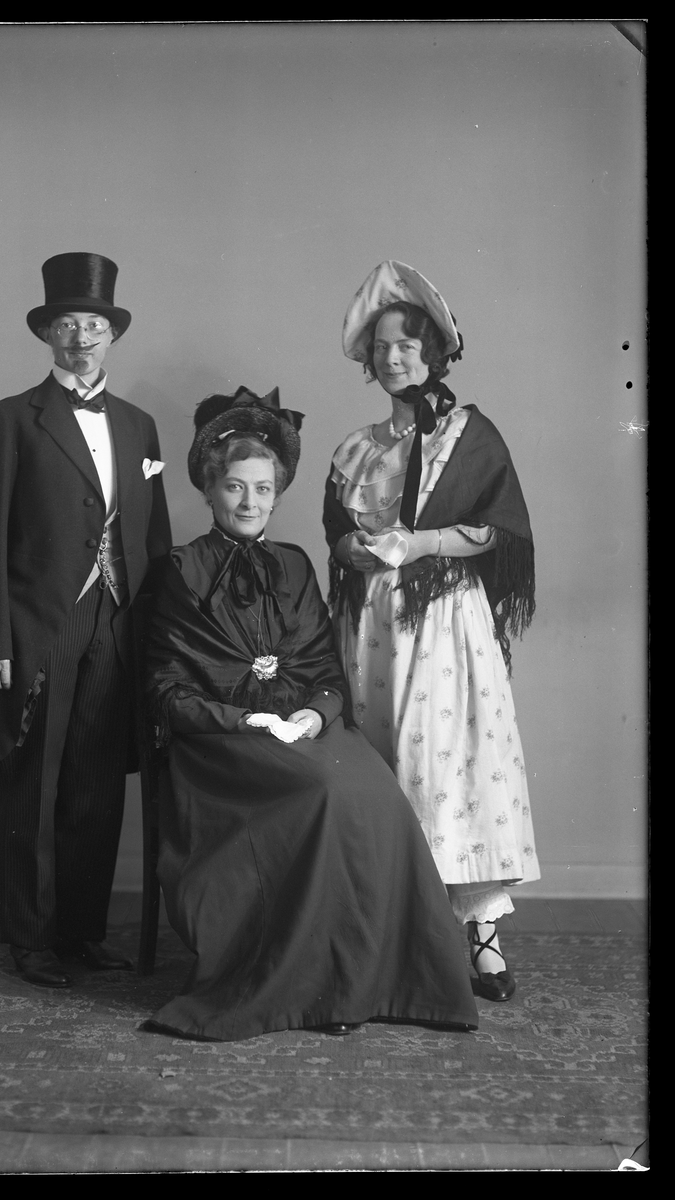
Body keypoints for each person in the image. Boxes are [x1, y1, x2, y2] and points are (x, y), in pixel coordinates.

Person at [144, 386, 479, 1042]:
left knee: (377, 791)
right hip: (221, 744)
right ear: (210, 491)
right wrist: (246, 721)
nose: (250, 503)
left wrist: (315, 718)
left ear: (277, 494)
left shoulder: (294, 565)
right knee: (324, 791)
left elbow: (326, 673)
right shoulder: (181, 570)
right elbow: (167, 688)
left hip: (299, 729)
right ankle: (316, 989)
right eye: (235, 488)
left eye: (263, 489)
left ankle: (378, 980)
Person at [324, 260, 537, 1003]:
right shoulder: (356, 449)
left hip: (444, 624)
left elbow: (499, 531)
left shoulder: (469, 436)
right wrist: (351, 549)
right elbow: (338, 536)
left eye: (407, 345)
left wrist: (420, 543)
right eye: (381, 346)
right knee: (382, 765)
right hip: (372, 628)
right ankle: (390, 930)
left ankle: (481, 938)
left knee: (452, 767)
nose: (393, 358)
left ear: (434, 352)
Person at [0, 253, 172, 987]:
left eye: (94, 326)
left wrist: (157, 639)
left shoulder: (140, 427)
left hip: (118, 622)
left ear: (113, 335)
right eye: (67, 325)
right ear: (47, 334)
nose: (81, 338)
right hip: (40, 626)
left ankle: (82, 931)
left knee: (96, 785)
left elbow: (155, 541)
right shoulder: (10, 419)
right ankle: (31, 938)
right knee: (34, 785)